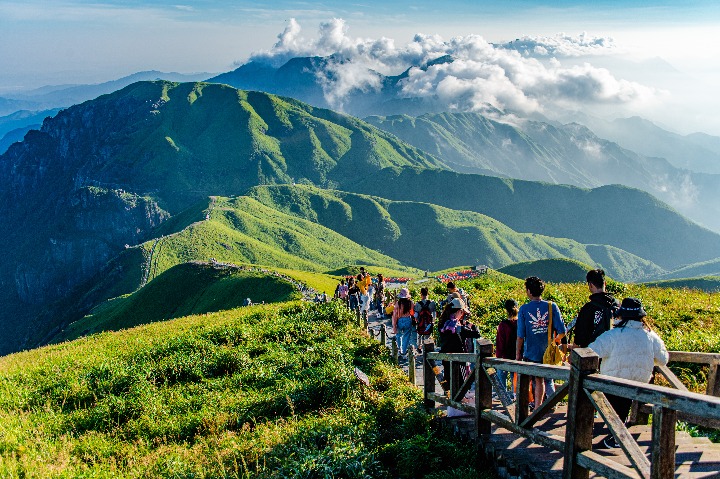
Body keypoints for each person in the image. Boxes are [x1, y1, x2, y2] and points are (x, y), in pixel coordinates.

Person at [588, 297, 669, 448]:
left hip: (612, 381)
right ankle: (617, 436)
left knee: (610, 403)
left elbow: (591, 352)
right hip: (639, 382)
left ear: (621, 315)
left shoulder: (612, 335)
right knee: (623, 406)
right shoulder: (651, 336)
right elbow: (663, 359)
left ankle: (616, 437)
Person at [516, 276, 566, 407]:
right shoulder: (551, 306)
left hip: (531, 353)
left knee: (536, 380)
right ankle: (550, 404)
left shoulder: (524, 309)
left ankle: (537, 408)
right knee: (547, 379)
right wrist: (555, 341)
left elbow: (520, 336)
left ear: (529, 291)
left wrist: (517, 355)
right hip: (547, 352)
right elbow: (562, 331)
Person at [572, 269, 620, 349]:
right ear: (605, 283)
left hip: (592, 355)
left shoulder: (588, 308)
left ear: (590, 285)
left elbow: (579, 339)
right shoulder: (617, 305)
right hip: (614, 354)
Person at [438, 296, 480, 384]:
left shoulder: (443, 323)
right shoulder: (458, 328)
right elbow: (477, 334)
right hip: (459, 360)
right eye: (462, 313)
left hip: (446, 360)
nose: (462, 315)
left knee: (449, 385)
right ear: (458, 311)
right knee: (461, 387)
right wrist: (472, 326)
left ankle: (451, 397)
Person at [496, 299, 519, 399]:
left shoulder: (503, 325)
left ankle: (503, 397)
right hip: (518, 355)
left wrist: (498, 356)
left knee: (501, 377)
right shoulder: (521, 323)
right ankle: (515, 395)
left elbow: (500, 342)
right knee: (515, 377)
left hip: (505, 356)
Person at [392, 288, 415, 356]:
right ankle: (404, 352)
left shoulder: (398, 303)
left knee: (398, 336)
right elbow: (412, 313)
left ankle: (399, 350)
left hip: (400, 320)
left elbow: (395, 315)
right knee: (406, 336)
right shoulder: (410, 303)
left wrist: (394, 325)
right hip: (408, 320)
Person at [413, 287, 436, 351]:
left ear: (421, 294)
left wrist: (417, 320)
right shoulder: (432, 303)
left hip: (420, 322)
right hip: (428, 322)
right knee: (427, 335)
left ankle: (419, 347)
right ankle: (426, 348)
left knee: (420, 335)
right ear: (427, 294)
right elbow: (434, 314)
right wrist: (433, 321)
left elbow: (416, 315)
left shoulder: (418, 304)